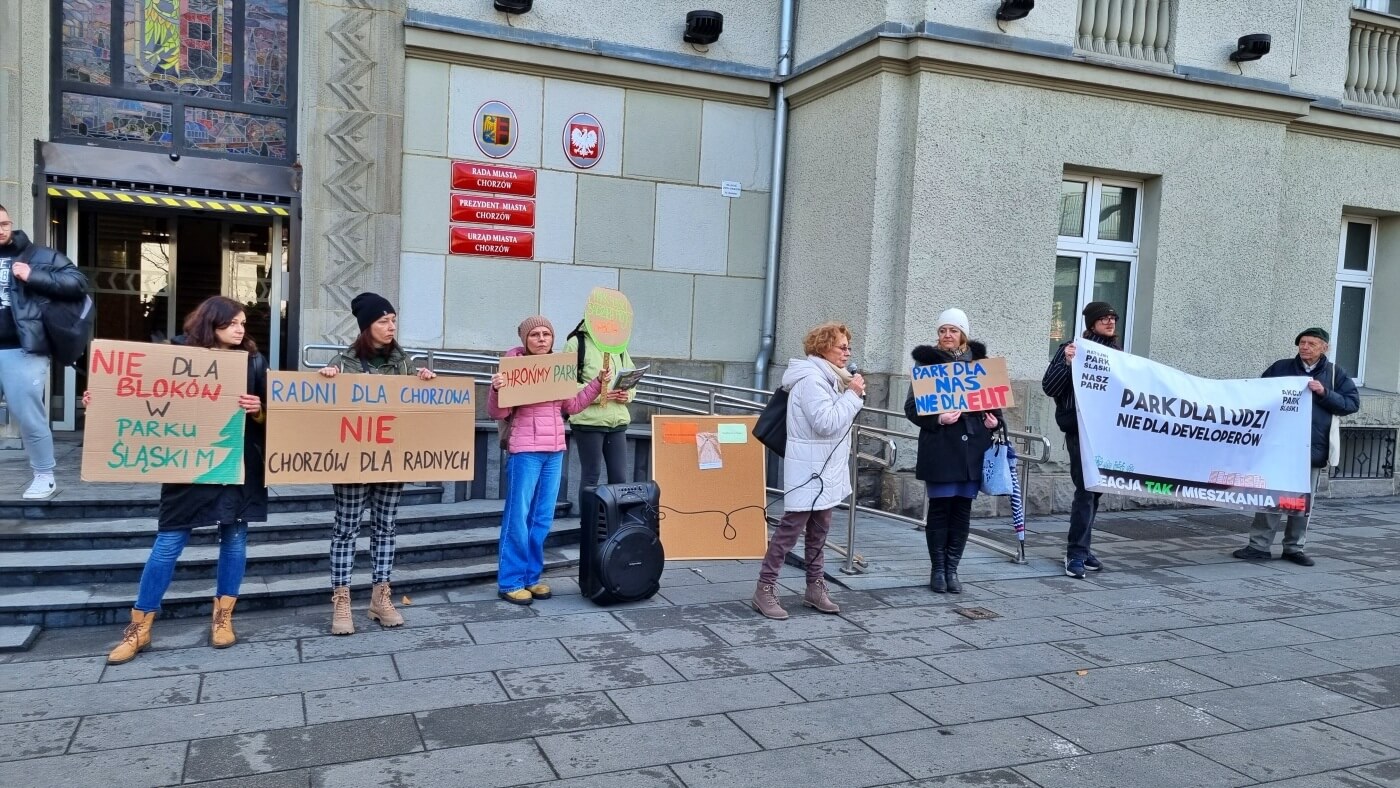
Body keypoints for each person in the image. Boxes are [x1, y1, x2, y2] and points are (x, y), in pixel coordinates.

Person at [98, 296, 268, 664]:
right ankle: (139, 627)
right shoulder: (172, 356)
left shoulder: (254, 361)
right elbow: (135, 397)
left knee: (235, 540)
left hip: (236, 467)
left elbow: (274, 419)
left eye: (243, 323)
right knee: (168, 542)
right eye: (233, 323)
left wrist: (258, 411)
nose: (241, 330)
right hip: (187, 467)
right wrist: (99, 399)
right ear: (212, 323)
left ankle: (223, 618)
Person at [317, 293, 437, 634]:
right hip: (352, 461)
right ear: (366, 326)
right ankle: (341, 601)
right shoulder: (343, 361)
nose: (391, 327)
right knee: (346, 529)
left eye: (393, 320)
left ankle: (380, 597)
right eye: (383, 321)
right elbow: (322, 410)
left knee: (386, 527)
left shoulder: (404, 363)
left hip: (391, 460)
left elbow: (418, 409)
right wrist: (325, 379)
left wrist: (424, 382)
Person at [489, 316, 607, 605]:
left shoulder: (559, 370)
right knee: (518, 518)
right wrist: (496, 389)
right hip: (525, 451)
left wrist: (596, 383)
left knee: (541, 518)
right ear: (524, 340)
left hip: (554, 450)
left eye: (546, 334)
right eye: (535, 335)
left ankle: (532, 577)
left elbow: (573, 405)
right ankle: (510, 581)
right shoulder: (512, 369)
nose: (541, 339)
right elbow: (498, 414)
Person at [752, 322, 865, 620]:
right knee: (791, 528)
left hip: (824, 467)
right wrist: (853, 395)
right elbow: (826, 423)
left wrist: (848, 393)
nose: (847, 353)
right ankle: (765, 588)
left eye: (848, 347)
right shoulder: (812, 379)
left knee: (820, 529)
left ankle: (815, 586)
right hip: (809, 467)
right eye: (842, 347)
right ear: (823, 347)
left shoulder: (830, 378)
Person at [1233, 327, 1359, 566]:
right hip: (1278, 446)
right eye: (1302, 342)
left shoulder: (1334, 374)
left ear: (1324, 348)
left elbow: (1351, 404)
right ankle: (1258, 545)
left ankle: (1294, 548)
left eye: (1311, 343)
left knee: (1302, 501)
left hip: (1312, 448)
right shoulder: (1281, 368)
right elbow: (1258, 396)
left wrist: (1324, 393)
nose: (1305, 347)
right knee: (1271, 496)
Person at [904, 309, 999, 594]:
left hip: (972, 449)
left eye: (953, 330)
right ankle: (937, 570)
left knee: (962, 510)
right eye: (943, 330)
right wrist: (937, 419)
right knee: (940, 508)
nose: (947, 335)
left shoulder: (981, 365)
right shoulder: (926, 365)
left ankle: (952, 569)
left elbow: (992, 406)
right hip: (942, 448)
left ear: (963, 335)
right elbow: (911, 409)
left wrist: (994, 422)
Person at [0, 204, 87, 499]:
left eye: (5, 223)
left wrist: (32, 275)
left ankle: (43, 475)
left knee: (28, 414)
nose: (2, 230)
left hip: (22, 348)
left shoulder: (39, 256)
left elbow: (77, 283)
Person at [1042, 300, 1120, 579]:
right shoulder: (1072, 349)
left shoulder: (1118, 355)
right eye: (1104, 319)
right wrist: (1066, 362)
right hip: (1079, 430)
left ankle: (1083, 548)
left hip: (1105, 432)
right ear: (1091, 323)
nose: (1110, 322)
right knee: (1086, 490)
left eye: (1113, 318)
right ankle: (1075, 553)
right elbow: (1049, 387)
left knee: (1095, 490)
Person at [563, 321, 636, 506]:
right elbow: (565, 385)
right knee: (591, 476)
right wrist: (599, 394)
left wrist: (627, 395)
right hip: (588, 421)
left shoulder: (618, 346)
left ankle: (615, 527)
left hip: (617, 421)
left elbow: (633, 378)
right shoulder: (576, 343)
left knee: (619, 478)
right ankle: (587, 525)